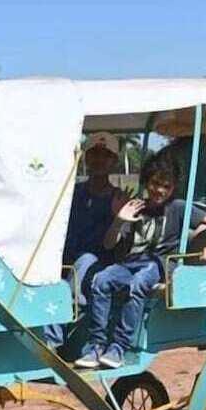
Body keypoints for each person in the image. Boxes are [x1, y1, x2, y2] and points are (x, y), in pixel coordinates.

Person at [75, 153, 206, 369]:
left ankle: (119, 346)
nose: (160, 191)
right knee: (101, 281)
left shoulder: (178, 207)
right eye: (156, 184)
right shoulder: (136, 207)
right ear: (147, 182)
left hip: (159, 264)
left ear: (173, 188)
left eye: (166, 186)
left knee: (138, 283)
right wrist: (119, 221)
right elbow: (109, 244)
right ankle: (96, 345)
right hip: (130, 263)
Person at [43, 132, 128, 350]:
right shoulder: (71, 193)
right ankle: (49, 342)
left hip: (99, 264)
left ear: (114, 162)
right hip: (66, 260)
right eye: (94, 154)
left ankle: (72, 323)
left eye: (105, 155)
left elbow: (119, 245)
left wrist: (118, 218)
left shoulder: (119, 198)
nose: (99, 160)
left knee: (85, 261)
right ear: (86, 158)